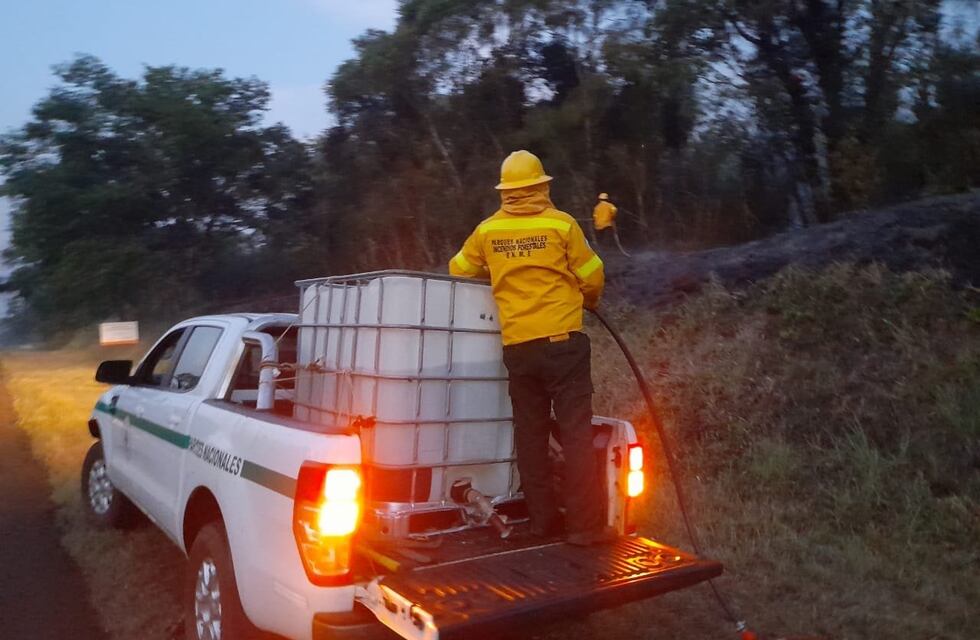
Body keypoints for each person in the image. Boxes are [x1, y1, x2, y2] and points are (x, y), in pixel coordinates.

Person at [449, 150, 614, 546]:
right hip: (563, 345)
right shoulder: (561, 224)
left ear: (506, 192)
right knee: (575, 435)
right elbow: (593, 275)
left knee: (531, 436)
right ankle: (585, 528)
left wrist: (498, 266)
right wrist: (588, 300)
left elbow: (458, 269)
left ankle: (543, 524)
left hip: (519, 348)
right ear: (542, 185)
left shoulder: (487, 231)